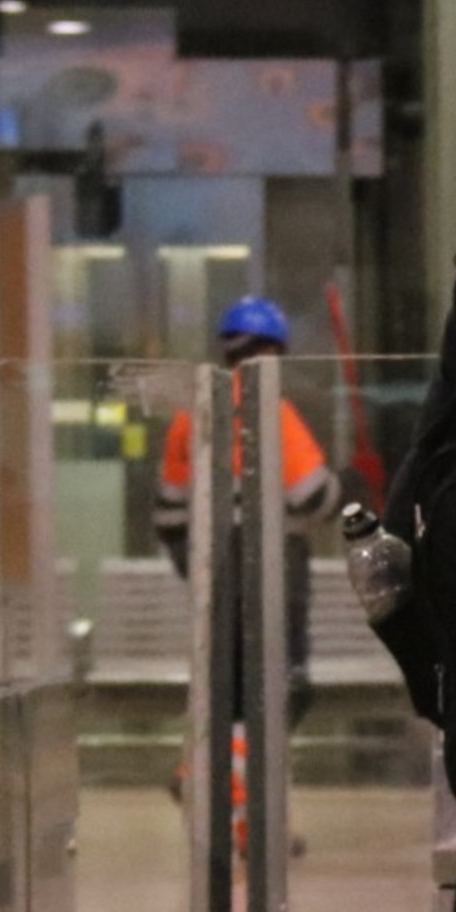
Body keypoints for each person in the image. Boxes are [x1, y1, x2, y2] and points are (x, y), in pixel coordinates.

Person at [154, 295, 338, 738]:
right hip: (277, 565)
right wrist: (351, 486)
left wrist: (195, 561)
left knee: (224, 684)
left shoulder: (191, 416)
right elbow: (315, 498)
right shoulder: (275, 415)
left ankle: (217, 779)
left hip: (213, 565)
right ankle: (252, 785)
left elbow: (168, 510)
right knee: (280, 684)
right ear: (274, 353)